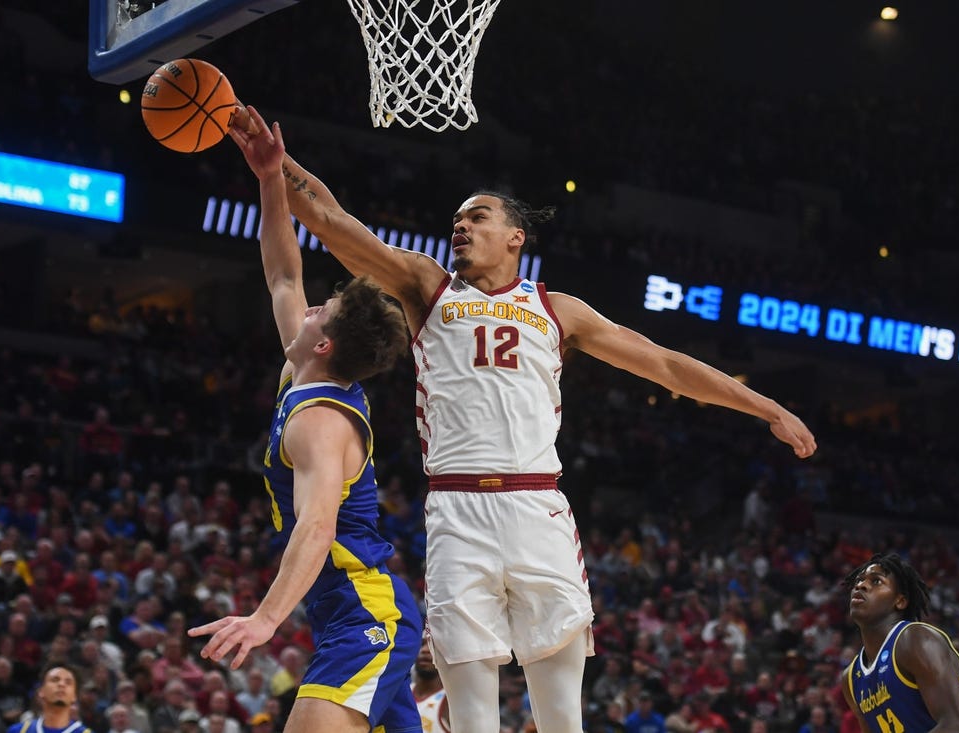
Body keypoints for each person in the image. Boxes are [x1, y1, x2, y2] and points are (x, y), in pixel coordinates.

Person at [224, 105, 818, 733]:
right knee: (473, 716)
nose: (460, 226)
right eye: (455, 219)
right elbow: (330, 221)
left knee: (561, 717)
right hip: (456, 512)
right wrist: (275, 165)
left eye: (477, 217)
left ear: (516, 237)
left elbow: (666, 365)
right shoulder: (427, 288)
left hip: (537, 507)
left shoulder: (559, 310)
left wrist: (764, 406)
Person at [188, 111, 421, 733]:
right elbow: (283, 273)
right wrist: (270, 178)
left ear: (325, 344)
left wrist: (264, 620)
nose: (313, 305)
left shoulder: (321, 418)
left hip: (364, 616)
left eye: (327, 308)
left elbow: (317, 528)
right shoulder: (308, 373)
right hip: (347, 612)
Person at [841, 552, 959, 733]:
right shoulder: (850, 678)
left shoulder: (914, 640)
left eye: (876, 581)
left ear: (900, 601)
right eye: (859, 580)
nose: (861, 585)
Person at [5, 664, 89, 733]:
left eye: (68, 682)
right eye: (55, 680)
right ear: (41, 691)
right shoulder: (19, 731)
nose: (61, 684)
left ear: (74, 696)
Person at [412, 638, 449, 733]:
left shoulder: (450, 701)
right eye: (421, 644)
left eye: (433, 646)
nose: (425, 650)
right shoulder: (399, 692)